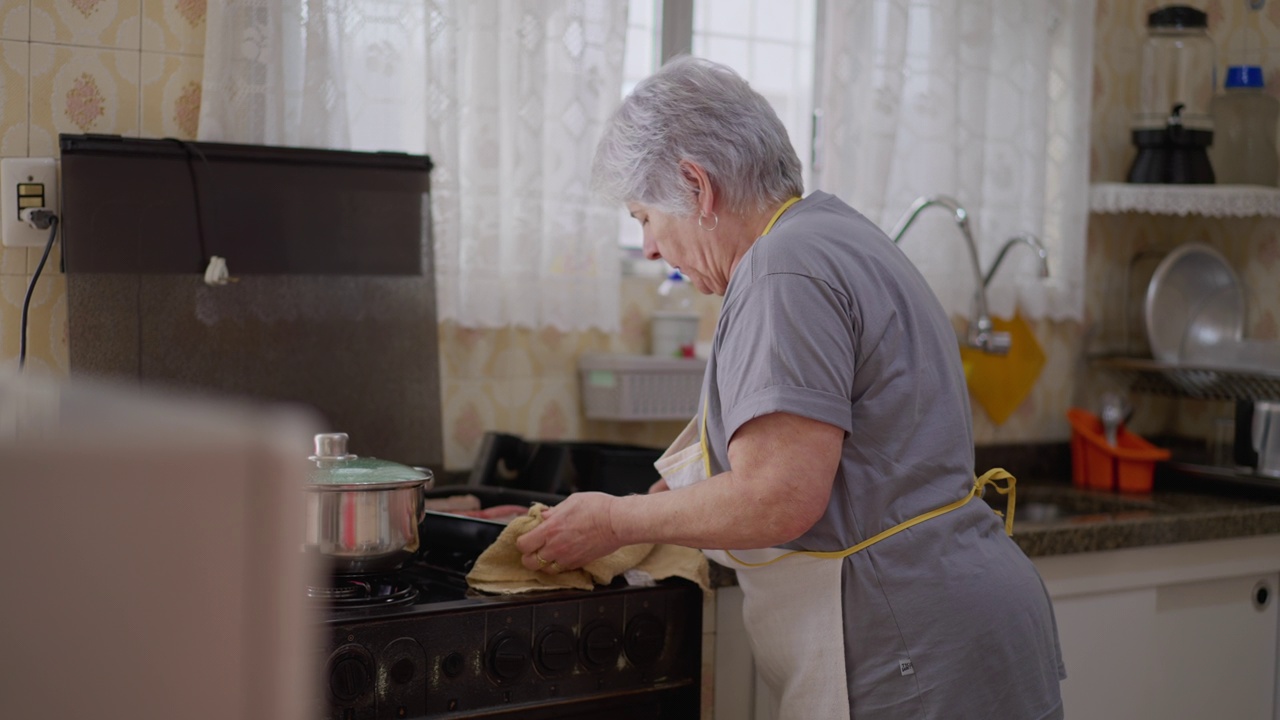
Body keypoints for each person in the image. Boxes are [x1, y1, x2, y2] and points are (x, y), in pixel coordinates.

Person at [515, 56, 1065, 720]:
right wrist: (667, 502)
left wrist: (614, 520)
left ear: (697, 186)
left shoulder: (782, 271)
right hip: (955, 624)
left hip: (907, 643)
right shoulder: (837, 235)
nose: (651, 248)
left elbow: (778, 496)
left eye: (643, 217)